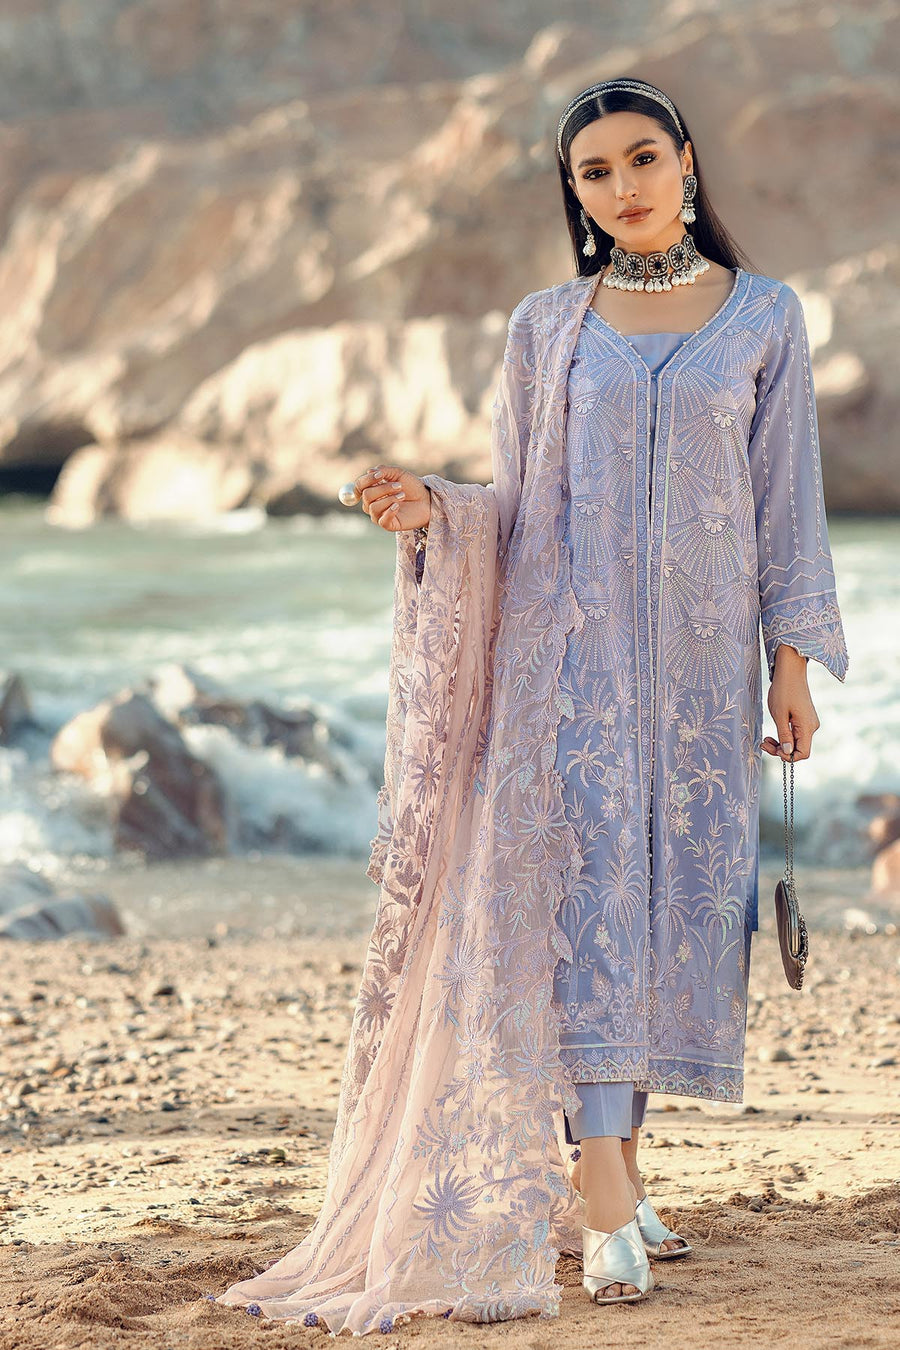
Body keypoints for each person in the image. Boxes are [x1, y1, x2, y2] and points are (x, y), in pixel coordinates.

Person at [211, 77, 848, 1331]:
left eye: (643, 158)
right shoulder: (548, 326)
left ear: (687, 163)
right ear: (574, 192)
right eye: (595, 171)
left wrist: (791, 662)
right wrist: (437, 511)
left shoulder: (766, 317)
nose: (624, 186)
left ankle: (622, 1171)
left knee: (668, 914)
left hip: (701, 683)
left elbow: (790, 506)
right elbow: (520, 501)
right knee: (588, 910)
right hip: (568, 671)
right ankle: (602, 1198)